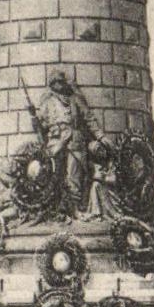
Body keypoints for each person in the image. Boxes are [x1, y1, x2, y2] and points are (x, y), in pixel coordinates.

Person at [35, 70, 105, 215]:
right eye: (55, 82)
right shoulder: (47, 102)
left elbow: (89, 118)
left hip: (74, 140)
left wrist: (100, 136)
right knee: (54, 176)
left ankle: (76, 209)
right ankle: (57, 209)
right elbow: (40, 126)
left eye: (61, 81)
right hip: (55, 143)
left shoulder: (75, 99)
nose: (58, 85)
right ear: (51, 85)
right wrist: (32, 116)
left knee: (74, 176)